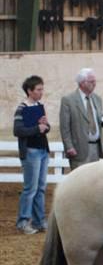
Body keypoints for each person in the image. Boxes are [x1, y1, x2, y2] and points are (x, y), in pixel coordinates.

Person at [14, 75, 51, 235]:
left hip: (42, 149)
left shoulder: (39, 106)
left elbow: (44, 127)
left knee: (41, 188)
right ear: (29, 91)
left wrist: (45, 125)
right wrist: (38, 128)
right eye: (38, 89)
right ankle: (23, 222)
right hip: (31, 151)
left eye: (42, 89)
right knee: (31, 188)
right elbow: (18, 131)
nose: (41, 92)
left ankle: (39, 221)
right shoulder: (21, 108)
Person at [59, 68, 103, 170]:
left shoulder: (97, 99)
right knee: (80, 183)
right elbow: (64, 127)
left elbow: (101, 122)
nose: (94, 84)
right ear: (82, 83)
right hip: (78, 150)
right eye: (91, 81)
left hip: (96, 149)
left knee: (94, 182)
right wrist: (69, 147)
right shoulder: (68, 100)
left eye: (95, 81)